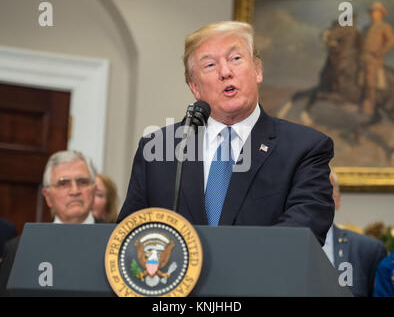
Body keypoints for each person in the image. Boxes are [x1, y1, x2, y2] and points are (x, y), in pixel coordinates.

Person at [118, 21, 334, 246]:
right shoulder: (158, 150)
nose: (225, 72)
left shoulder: (305, 148)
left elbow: (303, 231)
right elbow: (130, 235)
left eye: (235, 59)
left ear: (257, 71)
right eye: (210, 65)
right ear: (195, 87)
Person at [0, 150, 99, 296]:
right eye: (63, 183)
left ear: (94, 190)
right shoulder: (19, 249)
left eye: (82, 182)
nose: (75, 190)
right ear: (47, 196)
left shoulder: (118, 242)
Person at [323, 170, 387, 297]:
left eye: (325, 191)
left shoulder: (368, 250)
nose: (316, 199)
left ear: (337, 200)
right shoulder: (280, 247)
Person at [361, 2, 394, 120]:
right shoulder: (366, 27)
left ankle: (369, 105)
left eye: (376, 12)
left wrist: (380, 52)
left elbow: (391, 41)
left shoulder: (385, 27)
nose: (373, 14)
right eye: (372, 12)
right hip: (362, 56)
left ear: (381, 14)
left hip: (374, 59)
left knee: (370, 77)